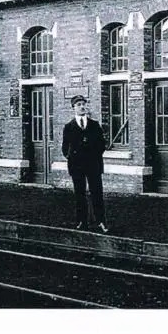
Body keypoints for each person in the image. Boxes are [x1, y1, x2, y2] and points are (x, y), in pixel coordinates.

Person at [61, 94, 109, 233]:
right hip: (77, 166)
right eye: (79, 105)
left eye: (83, 104)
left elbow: (102, 144)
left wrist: (93, 154)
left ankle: (101, 222)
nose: (82, 107)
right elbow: (65, 148)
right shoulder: (69, 127)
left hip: (93, 164)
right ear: (73, 108)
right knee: (79, 194)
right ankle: (82, 221)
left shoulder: (94, 125)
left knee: (97, 193)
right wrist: (72, 157)